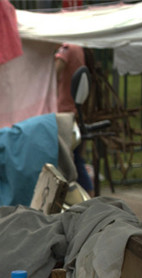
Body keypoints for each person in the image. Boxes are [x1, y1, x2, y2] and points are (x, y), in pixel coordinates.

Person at [55, 42, 94, 194]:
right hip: (75, 111)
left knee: (72, 161)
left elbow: (53, 73)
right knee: (76, 159)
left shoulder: (68, 48)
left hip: (65, 114)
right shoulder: (79, 47)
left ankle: (89, 200)